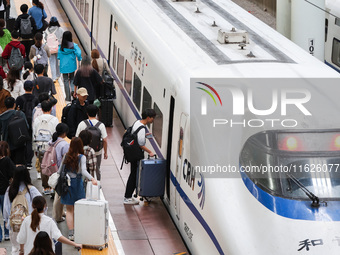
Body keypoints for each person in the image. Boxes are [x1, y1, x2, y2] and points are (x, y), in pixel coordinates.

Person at [59, 137, 97, 240]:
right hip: (77, 184)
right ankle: (79, 230)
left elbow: (59, 171)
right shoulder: (82, 157)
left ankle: (71, 233)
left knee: (69, 210)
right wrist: (92, 179)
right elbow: (84, 171)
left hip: (67, 184)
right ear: (80, 146)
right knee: (79, 209)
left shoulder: (66, 156)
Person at [17, 196, 82, 255]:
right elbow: (59, 237)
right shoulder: (49, 221)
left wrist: (22, 251)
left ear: (32, 206)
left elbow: (21, 239)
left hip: (29, 252)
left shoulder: (26, 220)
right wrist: (75, 244)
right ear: (44, 207)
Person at [3, 166, 41, 255]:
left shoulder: (10, 189)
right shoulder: (32, 189)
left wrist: (6, 220)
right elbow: (42, 204)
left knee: (15, 247)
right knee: (29, 245)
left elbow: (6, 206)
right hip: (29, 222)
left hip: (14, 223)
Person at [124, 109, 156, 204]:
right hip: (136, 154)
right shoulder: (142, 128)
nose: (153, 120)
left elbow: (134, 135)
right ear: (148, 118)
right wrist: (150, 152)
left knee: (133, 174)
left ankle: (128, 196)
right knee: (134, 175)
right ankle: (127, 197)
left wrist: (145, 135)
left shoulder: (137, 122)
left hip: (131, 152)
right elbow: (141, 144)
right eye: (152, 118)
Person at [33, 100, 59, 193]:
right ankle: (52, 186)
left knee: (43, 165)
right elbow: (56, 134)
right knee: (52, 165)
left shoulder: (37, 119)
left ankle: (45, 187)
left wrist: (35, 147)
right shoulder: (54, 119)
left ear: (42, 109)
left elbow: (34, 133)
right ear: (51, 108)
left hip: (40, 146)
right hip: (51, 146)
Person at [76, 105, 108, 180]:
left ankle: (84, 182)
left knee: (82, 167)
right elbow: (105, 140)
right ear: (97, 113)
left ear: (87, 113)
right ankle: (97, 183)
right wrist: (105, 152)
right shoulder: (101, 125)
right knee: (96, 168)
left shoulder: (82, 124)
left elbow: (77, 138)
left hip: (83, 151)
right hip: (97, 151)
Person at [15, 80, 39, 169]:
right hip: (33, 122)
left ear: (24, 88)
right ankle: (29, 161)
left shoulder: (19, 99)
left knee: (21, 140)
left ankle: (22, 160)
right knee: (30, 141)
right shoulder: (36, 99)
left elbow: (16, 109)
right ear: (33, 88)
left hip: (21, 122)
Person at [0, 97, 28, 164]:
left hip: (7, 145)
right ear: (14, 104)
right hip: (20, 142)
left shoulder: (1, 117)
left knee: (8, 164)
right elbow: (27, 126)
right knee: (19, 163)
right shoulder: (20, 114)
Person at [50, 123, 69, 223]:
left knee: (59, 193)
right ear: (65, 133)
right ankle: (57, 216)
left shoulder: (52, 141)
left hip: (53, 169)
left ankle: (61, 212)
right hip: (60, 171)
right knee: (59, 195)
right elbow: (66, 159)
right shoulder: (64, 144)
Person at [58, 31, 82, 101]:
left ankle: (68, 97)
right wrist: (79, 58)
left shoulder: (61, 47)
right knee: (72, 79)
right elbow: (79, 53)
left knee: (65, 80)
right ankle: (73, 92)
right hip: (72, 65)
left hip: (63, 66)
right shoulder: (74, 46)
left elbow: (58, 57)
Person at [0, 141, 15, 243]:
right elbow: (13, 173)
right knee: (6, 212)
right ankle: (6, 233)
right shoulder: (7, 160)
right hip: (4, 190)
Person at [44, 17, 63, 83]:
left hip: (50, 49)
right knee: (58, 62)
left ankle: (54, 77)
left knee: (52, 62)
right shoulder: (60, 29)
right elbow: (63, 38)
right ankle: (58, 75)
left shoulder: (47, 30)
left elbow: (45, 38)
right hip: (59, 47)